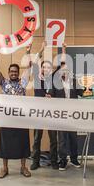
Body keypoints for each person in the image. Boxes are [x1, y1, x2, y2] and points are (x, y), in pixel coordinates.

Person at [0, 44, 32, 178]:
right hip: (6, 118)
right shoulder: (3, 82)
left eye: (16, 71)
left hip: (21, 118)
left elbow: (29, 68)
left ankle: (23, 167)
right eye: (12, 71)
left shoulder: (23, 83)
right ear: (9, 73)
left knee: (23, 143)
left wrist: (28, 52)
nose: (14, 73)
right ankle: (4, 168)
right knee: (5, 144)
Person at [30, 41, 63, 171]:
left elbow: (62, 66)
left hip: (52, 114)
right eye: (44, 67)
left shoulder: (55, 79)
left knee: (53, 139)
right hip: (38, 113)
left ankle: (54, 161)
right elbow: (34, 64)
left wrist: (63, 50)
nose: (46, 69)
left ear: (51, 70)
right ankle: (35, 161)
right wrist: (42, 49)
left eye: (49, 68)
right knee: (37, 138)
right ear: (42, 69)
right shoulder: (38, 79)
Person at [52, 53, 84, 171]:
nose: (64, 72)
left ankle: (74, 159)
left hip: (73, 114)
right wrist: (49, 96)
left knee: (73, 138)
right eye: (62, 70)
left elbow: (82, 93)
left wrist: (87, 87)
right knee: (62, 139)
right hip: (61, 114)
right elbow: (51, 94)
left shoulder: (75, 82)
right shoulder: (56, 82)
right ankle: (63, 160)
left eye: (66, 70)